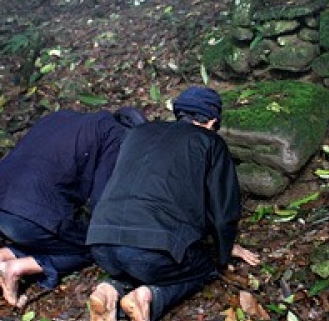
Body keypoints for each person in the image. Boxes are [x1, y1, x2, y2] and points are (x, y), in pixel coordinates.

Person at [86, 86, 260, 321]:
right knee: (202, 266)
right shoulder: (209, 141)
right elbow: (222, 211)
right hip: (151, 252)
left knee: (140, 259)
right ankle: (148, 297)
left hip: (100, 244)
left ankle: (109, 290)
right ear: (211, 121)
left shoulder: (137, 133)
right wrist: (223, 252)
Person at [0, 107, 148, 307]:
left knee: (52, 236)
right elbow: (102, 202)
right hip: (25, 218)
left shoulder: (62, 117)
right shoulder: (117, 136)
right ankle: (16, 268)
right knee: (95, 248)